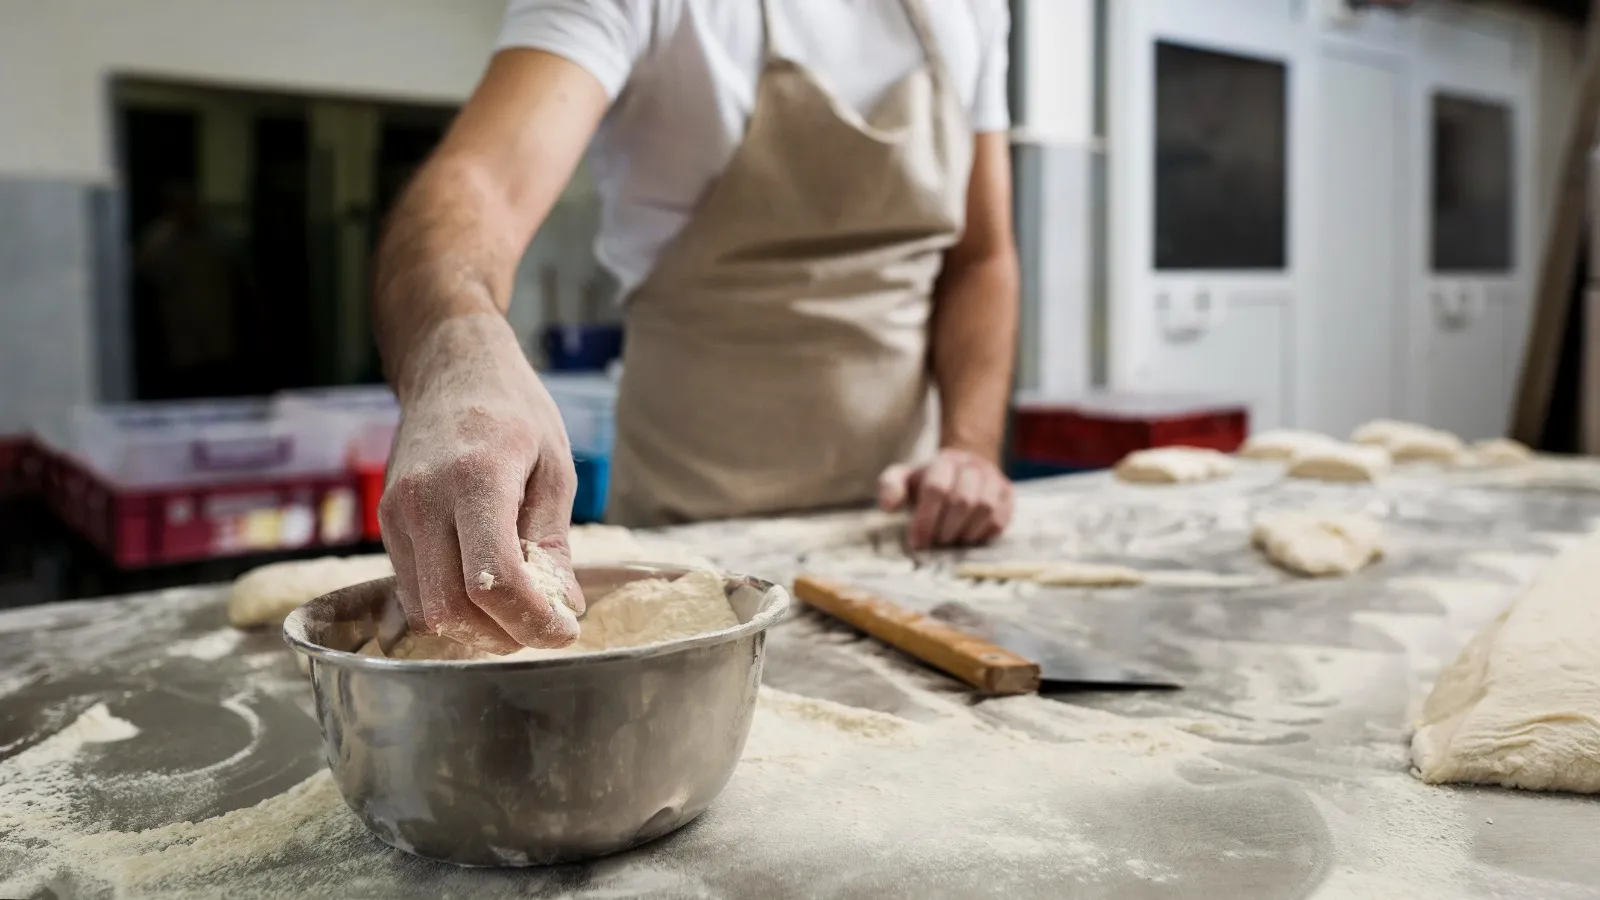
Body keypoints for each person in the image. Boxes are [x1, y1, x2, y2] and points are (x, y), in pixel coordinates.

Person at [371, 0, 1021, 653]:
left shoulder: (971, 11)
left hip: (902, 535)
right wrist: (458, 352)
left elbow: (981, 258)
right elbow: (477, 184)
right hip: (687, 550)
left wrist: (969, 446)